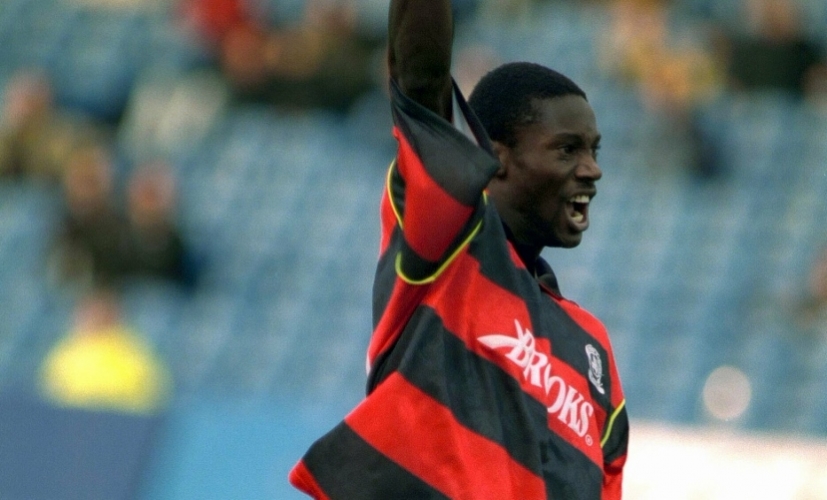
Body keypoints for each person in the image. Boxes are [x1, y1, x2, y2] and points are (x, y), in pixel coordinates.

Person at [289, 1, 628, 498]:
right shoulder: (451, 236)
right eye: (567, 149)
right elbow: (422, 79)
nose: (592, 169)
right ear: (497, 157)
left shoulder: (592, 347)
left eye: (594, 151)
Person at [39, 287, 172, 415]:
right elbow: (49, 394)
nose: (92, 317)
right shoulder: (65, 352)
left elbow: (153, 396)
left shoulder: (134, 352)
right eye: (88, 312)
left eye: (98, 312)